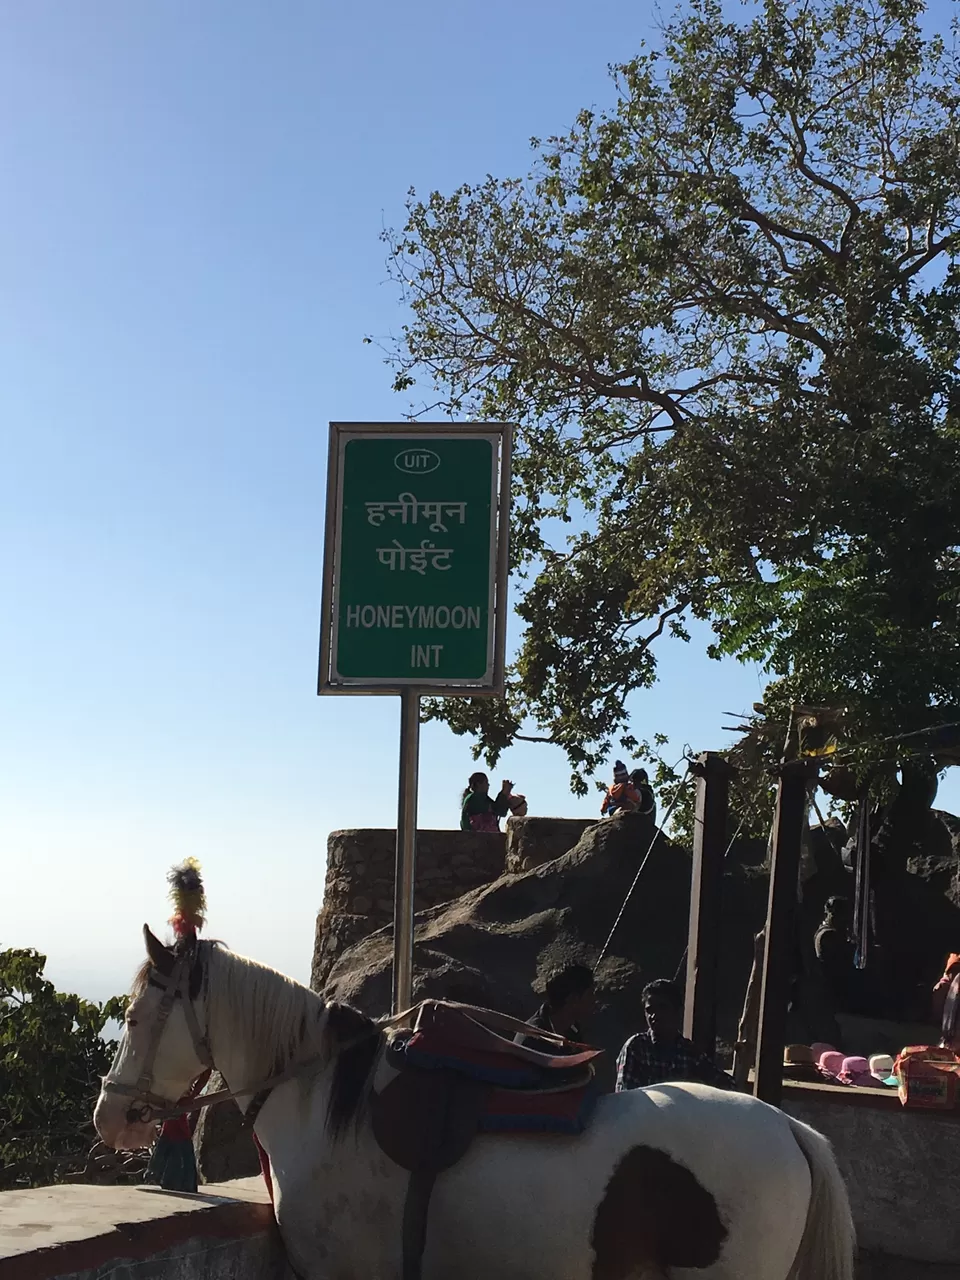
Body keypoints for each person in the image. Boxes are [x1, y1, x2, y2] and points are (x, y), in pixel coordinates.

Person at [615, 979, 733, 1090]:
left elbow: (725, 1084)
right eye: (649, 1010)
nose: (654, 1016)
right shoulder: (636, 1047)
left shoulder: (690, 1052)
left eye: (662, 1008)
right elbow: (625, 1096)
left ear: (677, 1010)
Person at [517, 964, 596, 1053]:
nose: (594, 999)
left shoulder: (571, 1029)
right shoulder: (532, 1041)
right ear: (573, 998)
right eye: (590, 994)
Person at [814, 896, 856, 1009]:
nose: (846, 920)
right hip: (831, 992)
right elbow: (841, 961)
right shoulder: (828, 935)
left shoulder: (827, 932)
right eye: (842, 915)